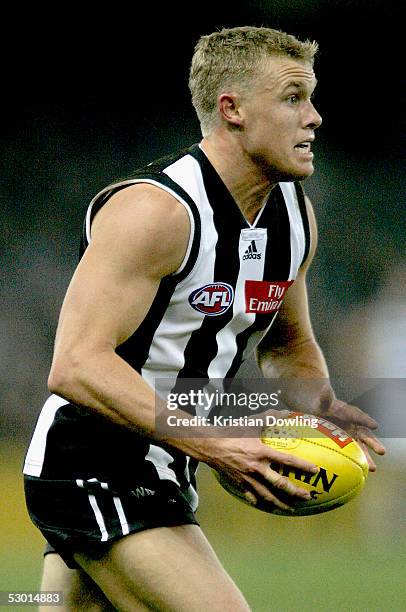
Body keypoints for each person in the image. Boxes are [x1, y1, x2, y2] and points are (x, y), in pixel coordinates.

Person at [23, 26, 385, 611]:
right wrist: (220, 445)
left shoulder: (293, 219)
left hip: (170, 466)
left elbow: (287, 347)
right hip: (94, 461)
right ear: (232, 109)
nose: (314, 117)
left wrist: (318, 411)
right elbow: (75, 365)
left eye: (312, 97)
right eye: (293, 98)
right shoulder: (154, 212)